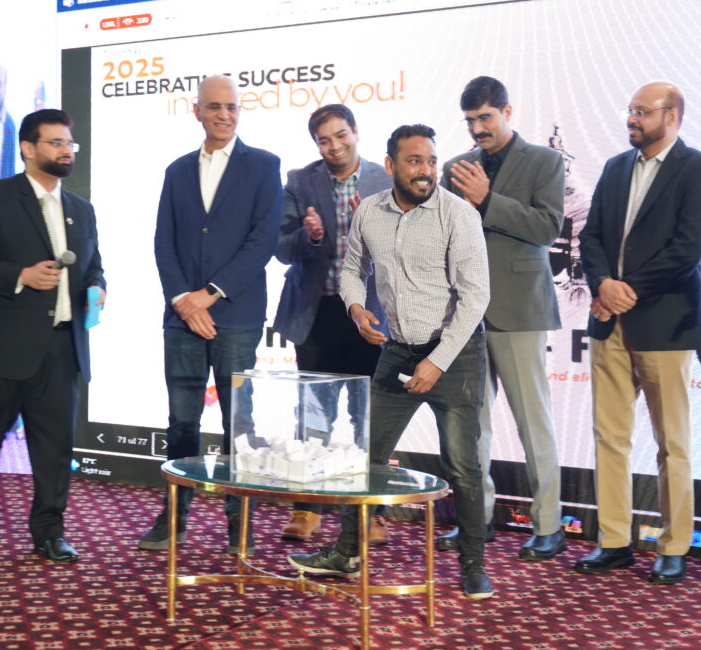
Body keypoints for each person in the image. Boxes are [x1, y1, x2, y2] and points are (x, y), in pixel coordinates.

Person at [288, 124, 495, 601]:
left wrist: (438, 362)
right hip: (398, 352)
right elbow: (352, 269)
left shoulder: (458, 215)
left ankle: (473, 564)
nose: (426, 171)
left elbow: (475, 299)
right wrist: (357, 308)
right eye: (414, 161)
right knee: (367, 457)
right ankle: (346, 553)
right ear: (390, 165)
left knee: (462, 465)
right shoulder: (371, 212)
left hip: (457, 354)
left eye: (431, 161)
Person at [0, 109, 106, 562]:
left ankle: (50, 534)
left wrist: (97, 287)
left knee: (54, 449)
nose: (66, 151)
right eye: (56, 142)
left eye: (69, 144)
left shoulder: (81, 210)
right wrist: (20, 276)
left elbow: (93, 265)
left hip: (61, 349)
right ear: (28, 148)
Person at [576, 82, 701, 584]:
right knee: (609, 437)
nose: (631, 118)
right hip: (608, 321)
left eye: (642, 111)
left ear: (671, 116)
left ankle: (674, 545)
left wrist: (626, 290)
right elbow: (590, 235)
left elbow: (688, 248)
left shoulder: (700, 169)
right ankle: (614, 540)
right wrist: (602, 283)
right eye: (631, 110)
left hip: (665, 322)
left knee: (671, 442)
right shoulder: (616, 167)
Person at [141, 74, 283, 554]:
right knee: (180, 423)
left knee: (238, 425)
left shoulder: (264, 165)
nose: (224, 114)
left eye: (232, 107)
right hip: (181, 318)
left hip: (236, 316)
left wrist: (209, 294)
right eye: (215, 106)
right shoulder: (176, 170)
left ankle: (239, 524)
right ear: (197, 111)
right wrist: (183, 299)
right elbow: (163, 241)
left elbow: (262, 241)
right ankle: (174, 517)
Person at [439, 76, 565, 561]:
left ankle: (549, 526)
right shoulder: (454, 167)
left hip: (520, 307)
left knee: (534, 422)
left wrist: (488, 200)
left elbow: (547, 228)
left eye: (486, 118)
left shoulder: (545, 161)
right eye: (470, 120)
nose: (478, 129)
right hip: (464, 312)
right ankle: (477, 520)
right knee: (470, 425)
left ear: (508, 112)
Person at [273, 104, 392, 544]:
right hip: (319, 313)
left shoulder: (384, 179)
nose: (335, 146)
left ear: (355, 131)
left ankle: (369, 512)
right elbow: (281, 248)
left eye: (341, 135)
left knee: (369, 417)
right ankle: (308, 508)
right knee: (312, 416)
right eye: (324, 140)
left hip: (372, 314)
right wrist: (310, 236)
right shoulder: (299, 181)